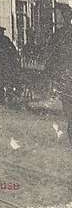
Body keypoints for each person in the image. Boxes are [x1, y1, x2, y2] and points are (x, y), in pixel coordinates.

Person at [44, 14, 72, 146]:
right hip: (66, 74)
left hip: (64, 74)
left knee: (68, 104)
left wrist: (51, 72)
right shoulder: (60, 35)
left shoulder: (59, 34)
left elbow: (51, 54)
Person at [0, 26, 19, 105]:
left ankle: (2, 98)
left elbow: (13, 49)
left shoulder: (5, 40)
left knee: (4, 81)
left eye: (0, 31)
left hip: (4, 64)